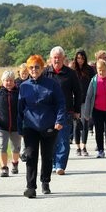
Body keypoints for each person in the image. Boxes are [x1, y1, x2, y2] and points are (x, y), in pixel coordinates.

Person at [17, 54, 66, 198]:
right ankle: (30, 187)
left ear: (42, 68)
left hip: (49, 124)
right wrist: (20, 127)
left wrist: (59, 120)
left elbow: (61, 103)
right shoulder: (24, 86)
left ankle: (45, 182)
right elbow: (20, 108)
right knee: (31, 156)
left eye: (36, 67)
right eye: (31, 67)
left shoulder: (52, 84)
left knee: (47, 155)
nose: (33, 70)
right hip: (30, 126)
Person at [43, 46, 81, 175]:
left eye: (59, 58)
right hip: (48, 112)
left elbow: (78, 92)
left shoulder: (70, 73)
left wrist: (77, 110)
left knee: (63, 140)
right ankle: (53, 163)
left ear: (63, 58)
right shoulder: (45, 73)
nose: (57, 60)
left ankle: (60, 165)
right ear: (50, 59)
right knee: (50, 140)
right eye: (54, 58)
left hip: (66, 111)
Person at [0, 70, 21, 176]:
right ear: (2, 81)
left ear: (14, 81)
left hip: (16, 125)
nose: (8, 83)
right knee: (2, 146)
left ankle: (15, 164)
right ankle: (4, 168)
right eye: (6, 81)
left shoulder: (19, 93)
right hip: (1, 125)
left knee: (16, 147)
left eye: (10, 80)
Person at [73, 50, 96, 156]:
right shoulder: (72, 70)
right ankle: (77, 147)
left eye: (82, 58)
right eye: (78, 58)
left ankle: (84, 146)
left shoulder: (90, 70)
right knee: (76, 124)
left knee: (85, 122)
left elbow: (94, 84)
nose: (80, 60)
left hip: (86, 100)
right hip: (75, 101)